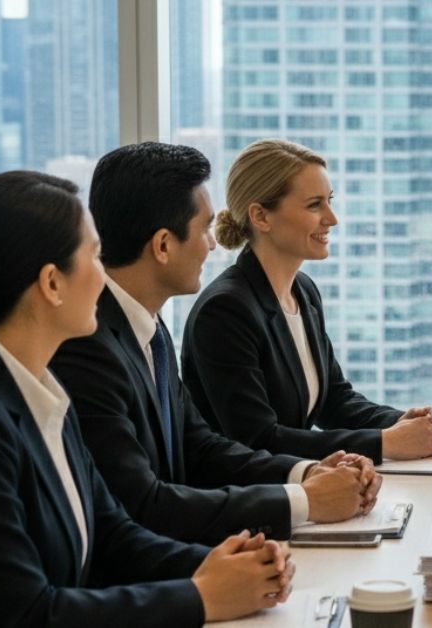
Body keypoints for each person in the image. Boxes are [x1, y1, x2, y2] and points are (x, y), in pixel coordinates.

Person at [0, 170, 293, 625]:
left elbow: (113, 535)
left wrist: (218, 567)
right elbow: (28, 613)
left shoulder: (46, 393)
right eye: (94, 255)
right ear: (52, 284)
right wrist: (202, 597)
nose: (105, 272)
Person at [50, 143, 378, 545]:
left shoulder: (149, 329)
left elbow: (200, 447)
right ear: (164, 245)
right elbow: (143, 504)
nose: (212, 243)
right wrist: (303, 501)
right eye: (204, 228)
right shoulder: (89, 350)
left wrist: (304, 473)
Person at [181, 139, 432, 462]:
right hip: (252, 498)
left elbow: (334, 400)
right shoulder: (225, 311)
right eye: (314, 205)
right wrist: (384, 442)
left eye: (329, 201)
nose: (332, 218)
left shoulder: (303, 291)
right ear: (261, 217)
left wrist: (400, 422)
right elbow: (258, 439)